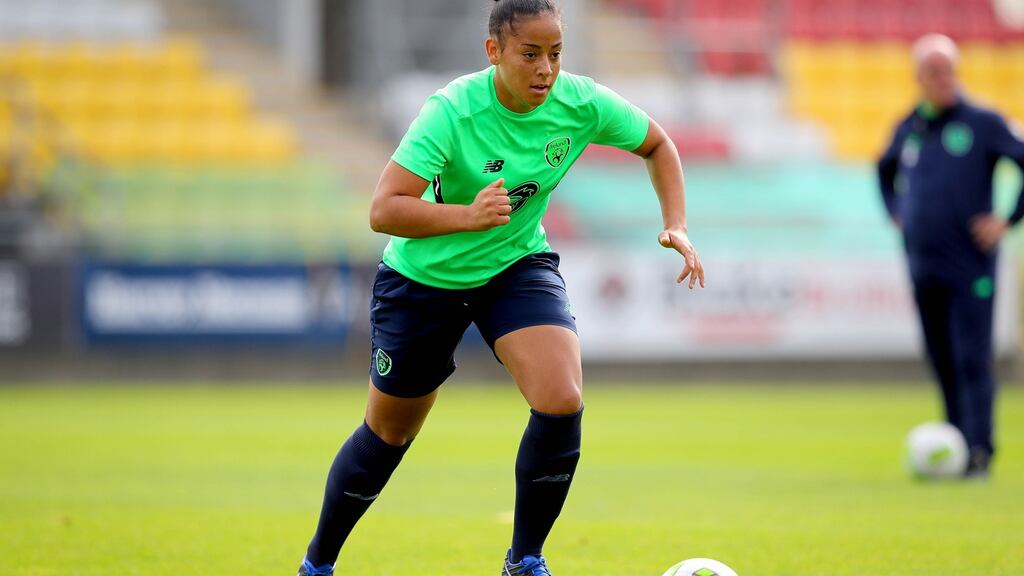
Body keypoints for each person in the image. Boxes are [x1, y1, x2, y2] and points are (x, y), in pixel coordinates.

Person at [298, 1, 705, 574]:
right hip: (423, 280)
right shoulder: (453, 110)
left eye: (556, 54)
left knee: (561, 399)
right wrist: (467, 215)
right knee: (388, 433)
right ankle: (317, 564)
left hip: (514, 266)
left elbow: (657, 143)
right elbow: (384, 210)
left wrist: (676, 223)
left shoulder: (579, 102)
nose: (546, 70)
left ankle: (525, 560)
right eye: (531, 54)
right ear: (494, 52)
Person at [878, 33, 1024, 479]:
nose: (943, 79)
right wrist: (897, 212)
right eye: (933, 72)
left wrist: (1007, 219)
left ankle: (979, 450)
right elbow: (884, 171)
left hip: (970, 263)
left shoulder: (982, 121)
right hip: (923, 262)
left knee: (971, 357)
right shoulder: (910, 126)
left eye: (948, 70)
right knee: (940, 355)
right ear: (919, 77)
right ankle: (956, 440)